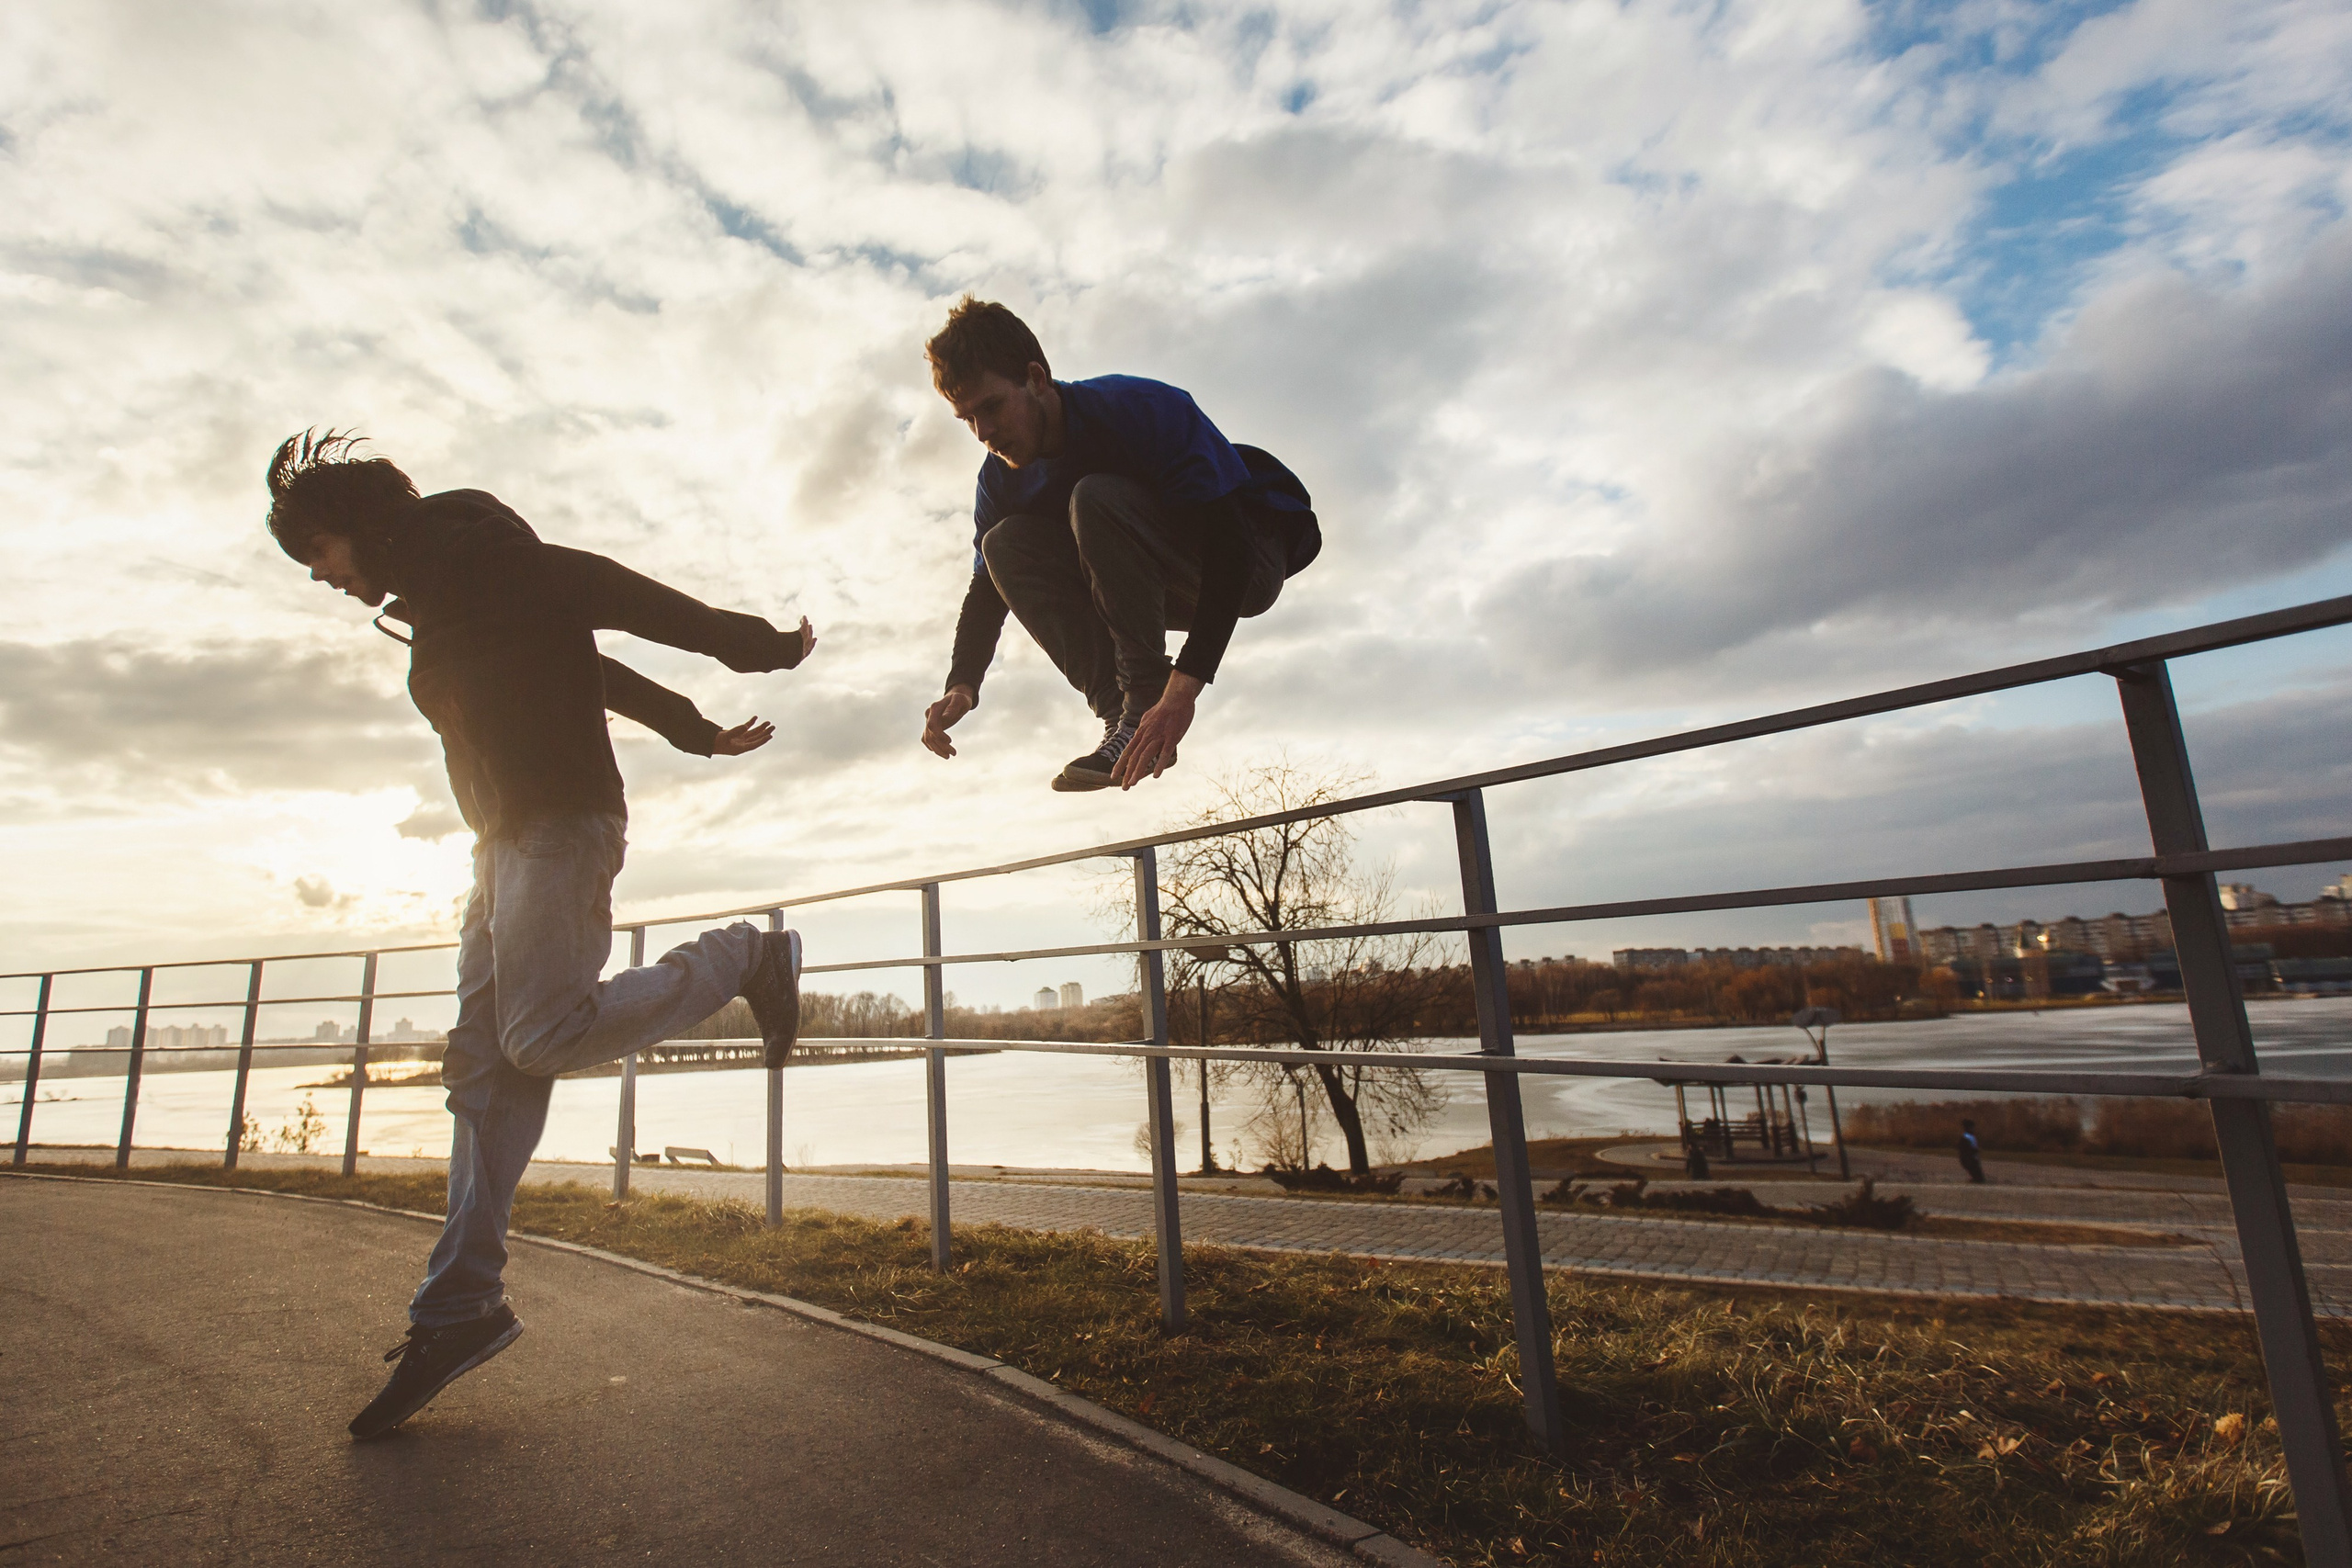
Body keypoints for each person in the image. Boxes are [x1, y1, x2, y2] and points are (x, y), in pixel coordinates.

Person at [263, 430, 815, 1439]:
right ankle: (459, 1308)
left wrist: (749, 643)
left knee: (540, 1035)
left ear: (354, 527)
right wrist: (692, 729)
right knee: (481, 1073)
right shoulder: (433, 600)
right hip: (496, 851)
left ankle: (745, 954)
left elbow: (603, 591)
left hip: (559, 827)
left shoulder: (475, 554)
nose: (320, 577)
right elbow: (588, 670)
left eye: (318, 554)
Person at [916, 298, 1321, 791]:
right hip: (1145, 587)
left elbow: (1230, 545)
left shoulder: (1139, 409)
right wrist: (962, 684)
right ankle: (1123, 718)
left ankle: (1144, 696)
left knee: (1094, 497)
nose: (985, 433)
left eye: (992, 407)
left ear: (1036, 378)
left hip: (1243, 561)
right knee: (1003, 544)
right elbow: (986, 592)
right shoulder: (998, 481)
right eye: (967, 420)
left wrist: (1181, 690)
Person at [1958, 1118, 1987, 1184]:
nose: (1973, 1128)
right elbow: (1966, 1150)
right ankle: (1975, 1178)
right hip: (1969, 1160)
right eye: (1972, 1127)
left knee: (1979, 1177)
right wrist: (1975, 1151)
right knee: (1979, 1178)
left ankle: (1975, 1178)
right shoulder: (1966, 1137)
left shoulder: (1969, 1136)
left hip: (1972, 1159)